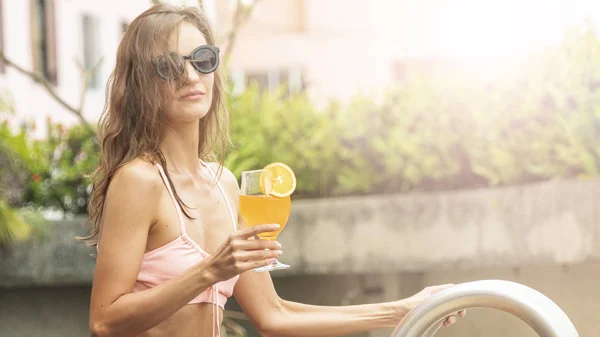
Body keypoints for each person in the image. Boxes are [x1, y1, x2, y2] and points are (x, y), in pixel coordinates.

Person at [79, 4, 466, 337]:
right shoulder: (139, 181)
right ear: (141, 82)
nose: (191, 77)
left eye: (202, 59)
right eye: (168, 66)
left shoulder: (224, 186)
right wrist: (210, 271)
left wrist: (405, 309)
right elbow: (105, 322)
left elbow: (272, 316)